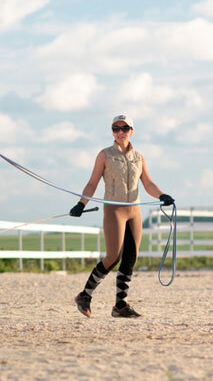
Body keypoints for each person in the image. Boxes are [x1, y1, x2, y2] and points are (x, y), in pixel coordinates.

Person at [68, 115, 175, 318]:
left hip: (134, 210)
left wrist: (162, 195)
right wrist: (81, 204)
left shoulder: (139, 157)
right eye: (115, 128)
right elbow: (92, 183)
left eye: (124, 128)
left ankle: (120, 306)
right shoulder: (104, 155)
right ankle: (85, 295)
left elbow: (148, 183)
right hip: (114, 209)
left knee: (130, 258)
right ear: (112, 132)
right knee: (113, 256)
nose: (120, 132)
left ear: (131, 131)